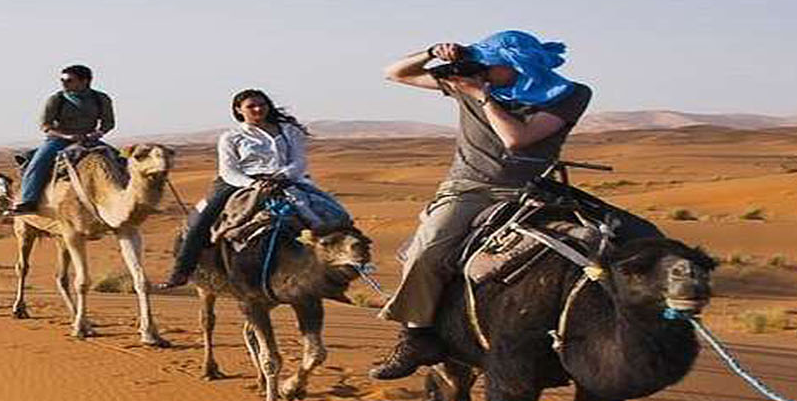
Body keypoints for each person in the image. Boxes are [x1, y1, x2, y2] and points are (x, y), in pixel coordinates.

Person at [369, 30, 594, 380]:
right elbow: (394, 73)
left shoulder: (569, 94)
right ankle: (416, 336)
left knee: (601, 241)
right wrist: (432, 51)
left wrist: (482, 95)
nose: (482, 69)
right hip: (470, 189)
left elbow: (518, 139)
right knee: (426, 251)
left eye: (490, 64)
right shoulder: (468, 85)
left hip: (533, 190)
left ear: (518, 65)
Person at [157, 90, 336, 289]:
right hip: (238, 183)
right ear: (239, 110)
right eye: (251, 106)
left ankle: (343, 267)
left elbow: (299, 162)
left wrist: (281, 176)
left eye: (262, 104)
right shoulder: (231, 137)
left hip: (286, 179)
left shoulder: (288, 131)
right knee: (201, 221)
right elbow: (228, 170)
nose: (258, 109)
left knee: (333, 214)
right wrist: (253, 184)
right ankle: (181, 271)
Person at [11, 64, 118, 214]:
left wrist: (98, 133)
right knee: (38, 164)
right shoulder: (56, 99)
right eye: (62, 80)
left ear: (85, 81)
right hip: (59, 140)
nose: (64, 84)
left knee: (119, 161)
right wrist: (67, 136)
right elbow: (45, 125)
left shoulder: (100, 99)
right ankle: (29, 201)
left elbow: (108, 123)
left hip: (88, 139)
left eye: (69, 80)